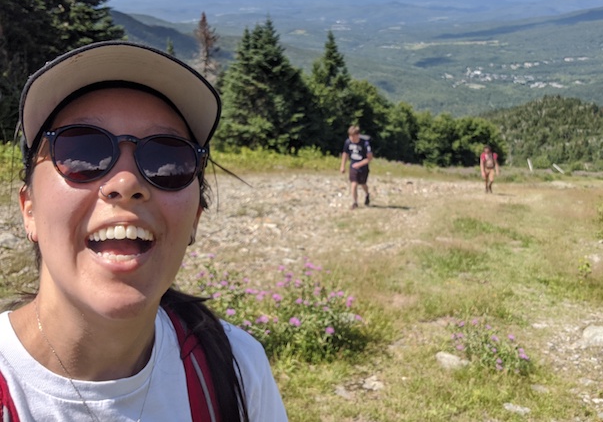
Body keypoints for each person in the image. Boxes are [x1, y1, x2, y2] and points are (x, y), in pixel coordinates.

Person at [0, 41, 287, 421]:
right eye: (81, 151)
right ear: (29, 209)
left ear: (196, 218)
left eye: (168, 158)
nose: (126, 181)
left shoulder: (235, 367)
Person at [339, 126, 373, 209]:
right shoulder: (348, 142)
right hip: (353, 166)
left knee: (363, 183)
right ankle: (355, 202)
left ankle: (367, 194)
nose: (351, 138)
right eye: (350, 136)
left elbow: (370, 158)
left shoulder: (365, 143)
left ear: (358, 135)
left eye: (353, 136)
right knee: (353, 183)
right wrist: (342, 165)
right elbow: (345, 154)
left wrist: (359, 164)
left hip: (363, 167)